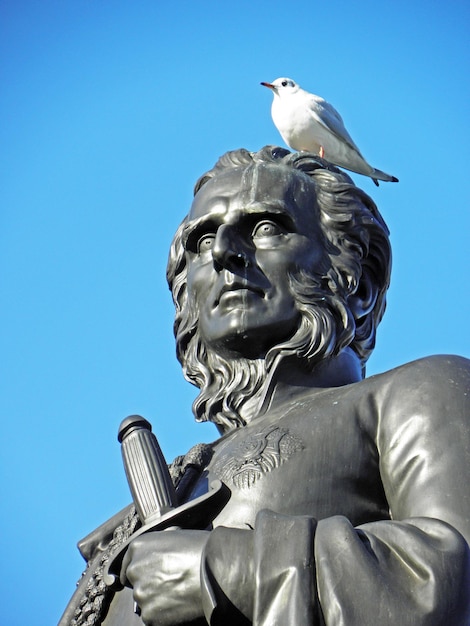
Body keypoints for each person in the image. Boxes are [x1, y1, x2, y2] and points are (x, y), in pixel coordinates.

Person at [61, 147, 470, 626]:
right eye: (203, 239)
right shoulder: (178, 477)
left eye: (266, 228)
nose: (221, 252)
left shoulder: (419, 392)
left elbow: (452, 571)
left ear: (356, 279)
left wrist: (222, 569)